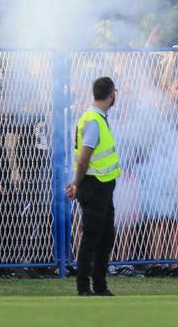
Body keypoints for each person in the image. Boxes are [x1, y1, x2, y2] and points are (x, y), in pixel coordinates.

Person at [65, 76, 121, 297]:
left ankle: (99, 285)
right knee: (91, 236)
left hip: (103, 185)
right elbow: (84, 158)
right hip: (94, 184)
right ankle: (84, 287)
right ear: (111, 94)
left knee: (106, 236)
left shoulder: (97, 117)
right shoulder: (94, 120)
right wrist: (77, 183)